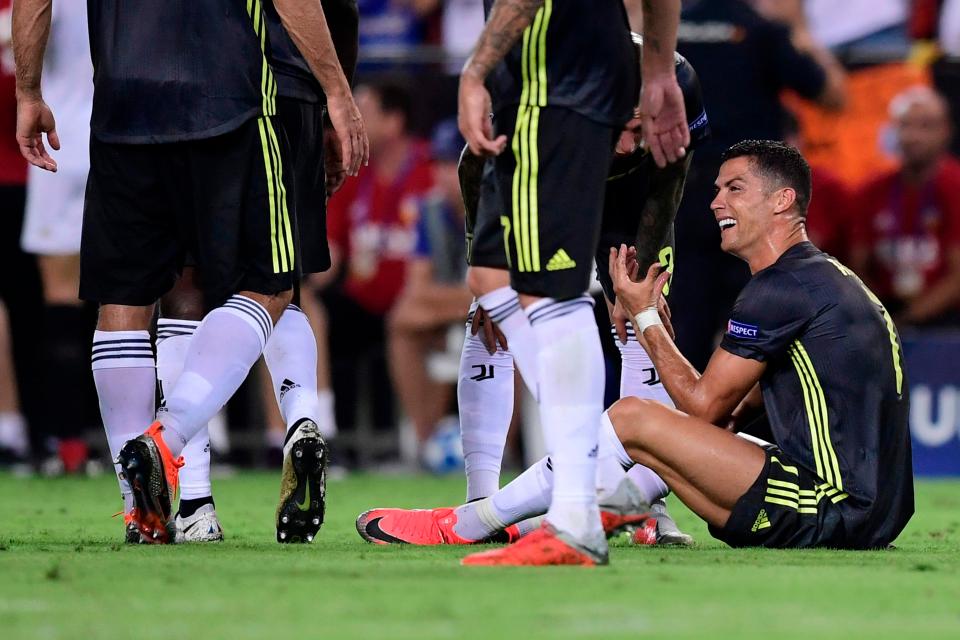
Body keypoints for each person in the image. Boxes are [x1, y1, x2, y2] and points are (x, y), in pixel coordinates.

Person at [13, 0, 367, 544]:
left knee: (128, 300)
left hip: (121, 104)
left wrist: (29, 91)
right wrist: (339, 94)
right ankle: (189, 440)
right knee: (272, 285)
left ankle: (159, 510)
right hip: (240, 94)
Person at [357, 0, 693, 565]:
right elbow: (473, 165)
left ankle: (581, 493)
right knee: (490, 283)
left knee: (558, 299)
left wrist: (475, 69)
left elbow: (670, 173)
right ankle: (538, 491)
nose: (631, 138)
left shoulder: (659, 85)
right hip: (566, 87)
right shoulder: (662, 74)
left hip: (558, 88)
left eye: (636, 126)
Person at [601, 140, 912, 550]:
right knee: (664, 438)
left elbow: (702, 406)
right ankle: (606, 510)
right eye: (716, 190)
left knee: (632, 418)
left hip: (829, 509)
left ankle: (505, 516)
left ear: (783, 200)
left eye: (734, 188)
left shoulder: (779, 288)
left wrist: (645, 316)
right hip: (875, 515)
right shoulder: (829, 279)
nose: (715, 203)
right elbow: (725, 417)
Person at [155, 0, 362, 544]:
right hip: (281, 93)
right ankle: (299, 421)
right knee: (276, 285)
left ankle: (192, 497)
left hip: (176, 94)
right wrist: (336, 98)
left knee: (185, 287)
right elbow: (339, 10)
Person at [671, 0, 845, 371]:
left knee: (687, 326)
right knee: (764, 318)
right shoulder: (763, 31)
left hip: (685, 193)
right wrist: (798, 29)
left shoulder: (671, 33)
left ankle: (687, 422)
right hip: (752, 195)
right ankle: (758, 424)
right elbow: (833, 96)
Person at [323, 80, 434, 445]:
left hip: (421, 300)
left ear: (393, 122)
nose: (352, 119)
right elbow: (331, 248)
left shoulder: (432, 166)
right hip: (361, 301)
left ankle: (423, 442)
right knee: (311, 317)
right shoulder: (352, 170)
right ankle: (330, 439)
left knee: (409, 322)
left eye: (363, 112)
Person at [19, 1, 93, 474]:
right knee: (137, 297)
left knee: (62, 299)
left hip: (59, 139)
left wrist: (26, 89)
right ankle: (139, 439)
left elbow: (26, 20)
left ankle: (68, 446)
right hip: (123, 139)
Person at [386, 120, 474, 455]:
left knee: (509, 323)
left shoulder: (498, 208)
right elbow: (416, 291)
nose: (441, 173)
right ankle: (427, 444)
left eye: (450, 164)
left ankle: (505, 451)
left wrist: (475, 298)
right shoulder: (429, 211)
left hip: (498, 317)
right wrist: (469, 299)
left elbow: (509, 289)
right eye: (437, 164)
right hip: (459, 311)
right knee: (403, 321)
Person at [850, 86, 960, 327]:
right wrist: (881, 316)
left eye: (926, 126)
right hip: (886, 311)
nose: (913, 136)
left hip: (948, 321)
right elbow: (857, 267)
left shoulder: (955, 186)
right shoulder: (871, 190)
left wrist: (906, 321)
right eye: (905, 125)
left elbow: (957, 278)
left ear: (946, 131)